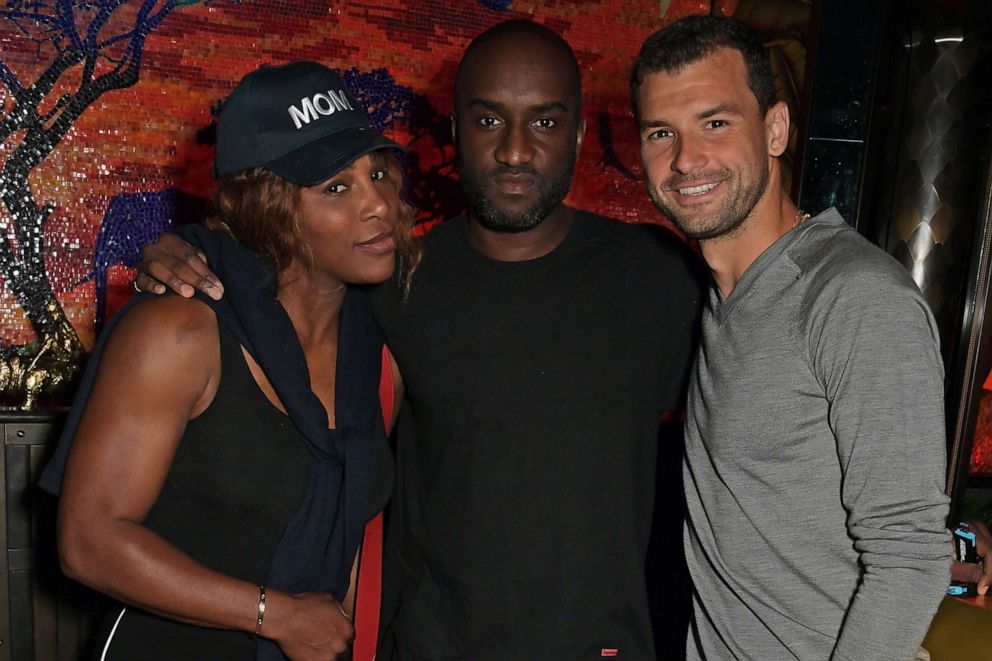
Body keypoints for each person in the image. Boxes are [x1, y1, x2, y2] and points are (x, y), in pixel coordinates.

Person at [134, 19, 704, 660]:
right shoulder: (393, 283)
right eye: (490, 121)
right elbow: (281, 277)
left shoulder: (659, 277)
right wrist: (190, 252)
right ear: (457, 129)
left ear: (576, 133)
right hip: (432, 646)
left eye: (544, 122)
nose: (515, 151)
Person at [38, 61, 419, 660]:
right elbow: (89, 543)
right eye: (337, 188)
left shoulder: (379, 354)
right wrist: (278, 617)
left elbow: (349, 538)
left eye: (379, 173)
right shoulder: (178, 329)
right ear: (269, 206)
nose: (380, 205)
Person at [631, 15, 951, 660]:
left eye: (716, 123)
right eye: (662, 132)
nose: (687, 159)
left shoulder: (853, 296)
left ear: (775, 129)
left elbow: (910, 557)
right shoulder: (715, 296)